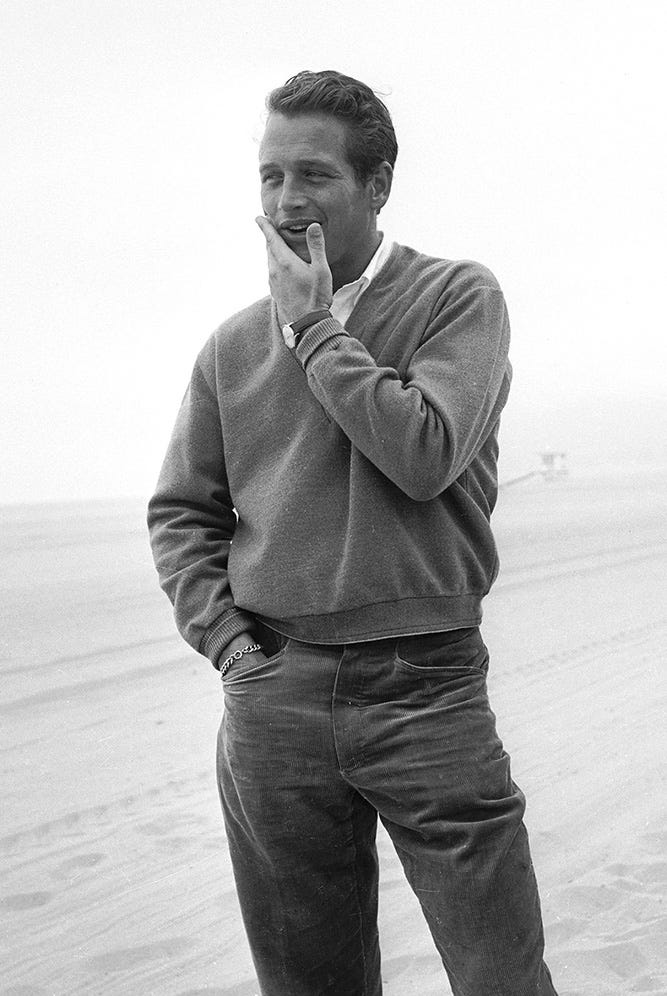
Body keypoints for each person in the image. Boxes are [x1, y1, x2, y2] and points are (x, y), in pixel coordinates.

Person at [147, 69, 558, 996]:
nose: (286, 199)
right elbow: (182, 511)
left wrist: (312, 328)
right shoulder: (229, 346)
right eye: (268, 176)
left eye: (315, 175)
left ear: (376, 186)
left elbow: (423, 451)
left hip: (425, 683)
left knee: (500, 973)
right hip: (273, 691)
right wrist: (228, 645)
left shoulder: (457, 297)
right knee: (308, 981)